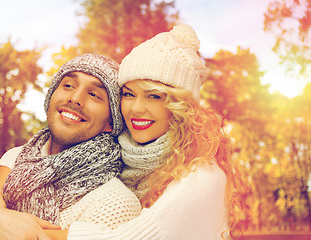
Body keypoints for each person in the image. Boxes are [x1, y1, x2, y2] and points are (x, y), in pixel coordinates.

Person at [65, 24, 244, 239]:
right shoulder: (114, 159)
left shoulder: (203, 176)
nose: (136, 108)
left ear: (181, 105)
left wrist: (27, 228)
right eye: (129, 94)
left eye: (154, 96)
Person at [0, 54, 141, 239]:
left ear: (111, 123)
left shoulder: (115, 203)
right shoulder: (16, 158)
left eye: (94, 94)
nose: (75, 98)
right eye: (69, 86)